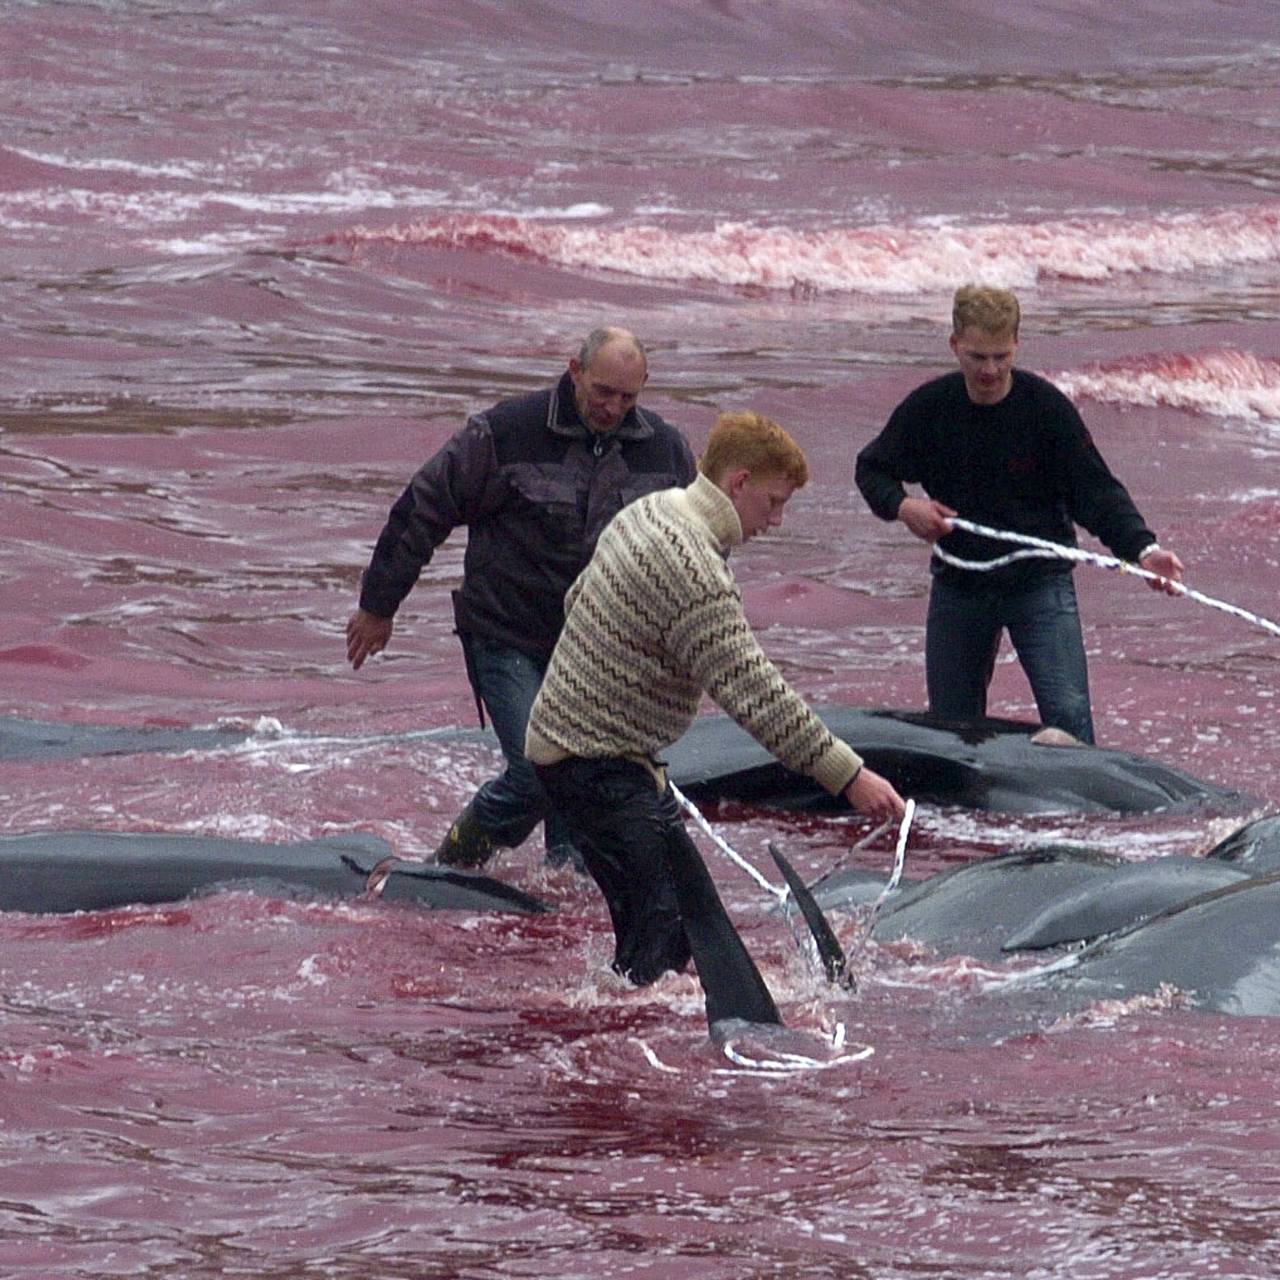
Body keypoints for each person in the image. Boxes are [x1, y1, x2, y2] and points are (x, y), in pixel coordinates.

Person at [525, 410, 906, 1028]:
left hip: (597, 754)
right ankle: (620, 1077)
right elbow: (755, 695)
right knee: (661, 952)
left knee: (695, 939)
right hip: (594, 765)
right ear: (739, 481)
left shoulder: (652, 510)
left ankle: (621, 1046)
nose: (775, 522)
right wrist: (849, 775)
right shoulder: (692, 566)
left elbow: (577, 599)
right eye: (774, 503)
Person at [346, 327, 696, 869]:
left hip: (600, 652)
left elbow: (692, 551)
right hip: (506, 634)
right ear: (574, 371)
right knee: (536, 774)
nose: (612, 407)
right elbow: (423, 508)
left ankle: (564, 909)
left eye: (628, 397)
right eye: (602, 391)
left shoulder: (666, 452)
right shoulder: (505, 432)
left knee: (584, 797)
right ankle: (452, 865)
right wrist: (378, 606)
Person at [855, 284, 1185, 745]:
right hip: (958, 585)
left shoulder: (1045, 409)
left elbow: (1096, 493)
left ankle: (1079, 816)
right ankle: (965, 819)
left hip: (1039, 585)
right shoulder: (930, 408)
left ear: (1016, 345)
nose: (989, 370)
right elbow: (872, 469)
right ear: (954, 346)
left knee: (1069, 723)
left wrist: (1144, 550)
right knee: (951, 731)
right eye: (976, 357)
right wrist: (903, 506)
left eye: (1000, 356)